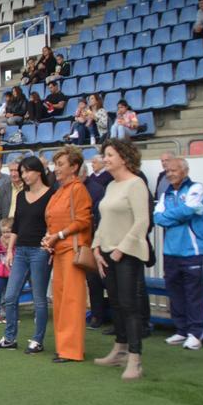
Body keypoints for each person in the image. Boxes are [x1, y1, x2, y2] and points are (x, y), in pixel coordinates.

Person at [93, 140, 152, 378]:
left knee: (129, 305)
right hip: (107, 252)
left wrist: (121, 249)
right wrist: (96, 247)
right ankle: (120, 349)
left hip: (127, 255)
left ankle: (135, 359)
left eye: (109, 155)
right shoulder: (111, 186)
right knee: (116, 303)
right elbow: (104, 220)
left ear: (124, 158)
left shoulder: (136, 184)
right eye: (104, 155)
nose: (105, 159)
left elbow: (142, 221)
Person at [0, 156, 53, 354]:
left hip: (40, 251)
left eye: (27, 171)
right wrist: (9, 250)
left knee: (39, 298)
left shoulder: (52, 194)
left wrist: (50, 244)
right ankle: (9, 338)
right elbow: (16, 225)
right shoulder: (20, 196)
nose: (23, 175)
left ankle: (37, 340)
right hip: (20, 251)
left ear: (38, 172)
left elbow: (53, 222)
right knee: (10, 295)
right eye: (21, 172)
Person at [41, 147, 93, 363]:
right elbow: (51, 220)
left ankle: (72, 350)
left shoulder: (78, 189)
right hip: (59, 251)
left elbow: (83, 220)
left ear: (74, 167)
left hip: (72, 250)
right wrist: (48, 237)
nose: (57, 168)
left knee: (72, 301)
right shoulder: (59, 191)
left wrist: (58, 235)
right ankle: (64, 347)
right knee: (61, 301)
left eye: (61, 164)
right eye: (56, 164)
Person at [155, 158, 203, 350]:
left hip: (193, 251)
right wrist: (181, 214)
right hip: (170, 251)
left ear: (184, 171)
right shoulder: (166, 194)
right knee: (175, 291)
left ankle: (197, 331)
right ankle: (181, 329)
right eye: (167, 171)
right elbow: (158, 217)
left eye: (174, 170)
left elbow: (187, 211)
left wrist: (178, 214)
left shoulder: (197, 188)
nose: (170, 173)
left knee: (195, 292)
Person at [84, 156, 113, 329]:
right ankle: (97, 315)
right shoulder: (84, 187)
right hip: (89, 240)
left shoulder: (96, 190)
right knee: (92, 280)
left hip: (101, 239)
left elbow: (99, 217)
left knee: (108, 280)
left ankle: (115, 320)